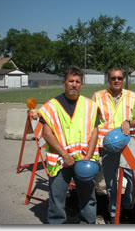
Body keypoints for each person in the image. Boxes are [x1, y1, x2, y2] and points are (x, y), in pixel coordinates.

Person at [38, 66, 100, 224]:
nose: (74, 84)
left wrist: (87, 157)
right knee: (57, 199)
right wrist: (65, 155)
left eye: (77, 82)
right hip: (60, 161)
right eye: (71, 81)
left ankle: (88, 223)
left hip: (84, 160)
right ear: (64, 82)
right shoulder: (51, 107)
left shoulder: (90, 106)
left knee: (88, 198)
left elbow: (94, 132)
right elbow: (47, 133)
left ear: (81, 85)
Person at [92, 67, 135, 224]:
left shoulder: (132, 96)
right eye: (113, 78)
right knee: (111, 182)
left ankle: (127, 205)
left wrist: (128, 122)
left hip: (128, 144)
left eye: (119, 78)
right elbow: (90, 120)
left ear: (123, 80)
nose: (116, 81)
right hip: (107, 147)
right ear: (108, 80)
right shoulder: (98, 96)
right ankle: (114, 211)